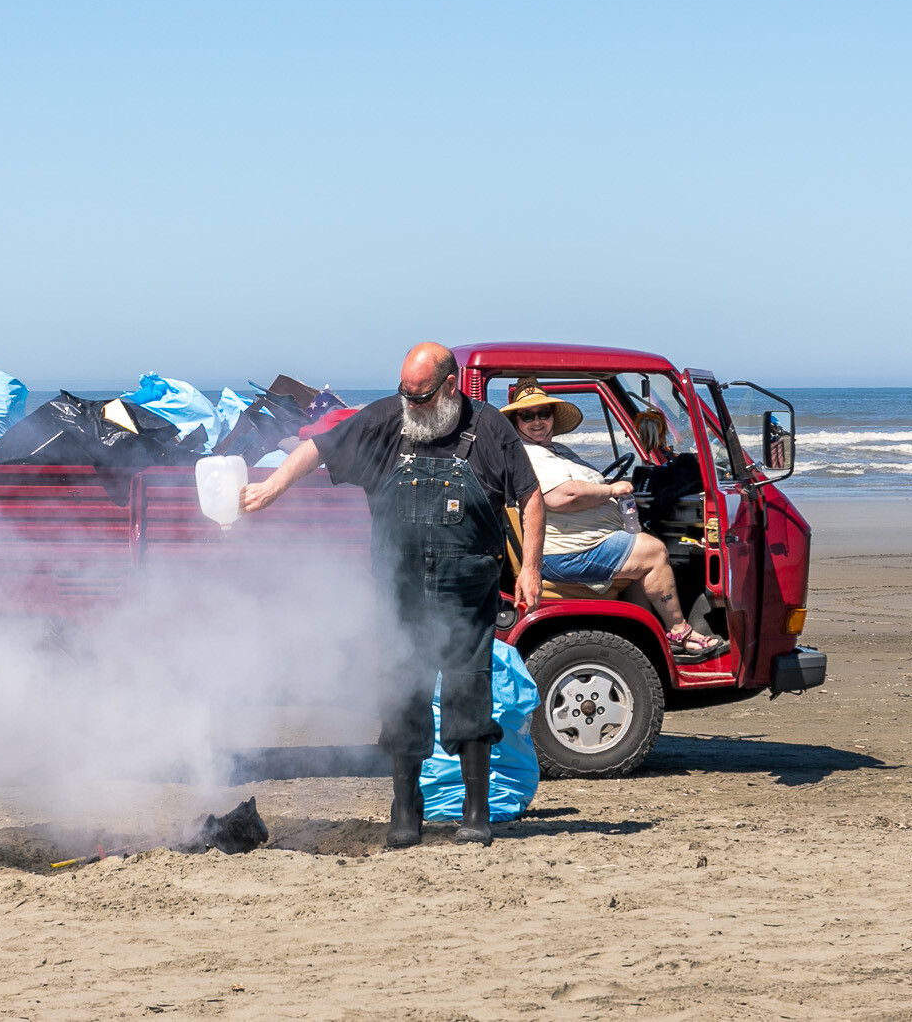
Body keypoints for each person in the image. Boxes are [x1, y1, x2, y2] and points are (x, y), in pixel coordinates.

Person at [240, 342, 545, 849]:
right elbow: (318, 447)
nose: (410, 405)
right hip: (398, 592)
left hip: (467, 594)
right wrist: (272, 488)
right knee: (402, 691)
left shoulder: (490, 429)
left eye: (420, 396)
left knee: (469, 692)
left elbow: (530, 495)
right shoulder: (387, 419)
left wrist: (531, 567)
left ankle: (475, 811)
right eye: (404, 393)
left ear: (451, 386)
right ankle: (405, 808)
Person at [499, 379, 730, 663]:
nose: (537, 421)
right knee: (655, 552)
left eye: (543, 413)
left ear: (552, 417)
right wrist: (612, 490)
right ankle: (679, 631)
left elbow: (578, 485)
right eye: (527, 415)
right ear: (516, 421)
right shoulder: (532, 454)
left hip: (581, 542)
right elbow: (562, 495)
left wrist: (608, 489)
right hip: (569, 551)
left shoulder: (554, 450)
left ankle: (637, 642)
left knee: (639, 560)